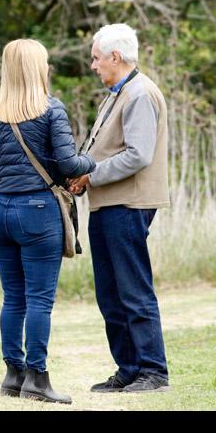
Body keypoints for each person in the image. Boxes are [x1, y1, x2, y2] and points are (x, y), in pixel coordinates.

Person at [0, 39, 95, 403]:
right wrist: (93, 161)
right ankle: (37, 379)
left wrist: (9, 178)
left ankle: (14, 374)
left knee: (14, 298)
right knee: (39, 299)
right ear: (38, 68)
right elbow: (69, 164)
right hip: (38, 211)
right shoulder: (51, 110)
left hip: (1, 210)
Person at [68, 23, 170, 393]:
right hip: (107, 204)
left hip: (127, 204)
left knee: (133, 290)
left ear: (115, 56)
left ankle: (153, 371)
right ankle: (129, 369)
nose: (93, 66)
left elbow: (138, 155)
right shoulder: (118, 94)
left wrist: (90, 175)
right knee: (110, 294)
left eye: (96, 58)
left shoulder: (139, 94)